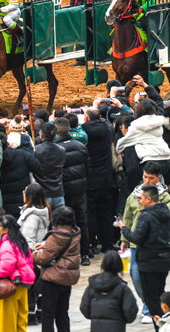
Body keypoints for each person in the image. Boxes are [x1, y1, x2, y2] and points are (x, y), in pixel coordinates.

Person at [118, 184, 170, 321]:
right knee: (159, 293)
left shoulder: (145, 216)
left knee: (151, 299)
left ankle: (160, 324)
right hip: (164, 260)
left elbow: (137, 238)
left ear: (148, 199)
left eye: (141, 198)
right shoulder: (166, 212)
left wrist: (124, 229)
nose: (139, 201)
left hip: (149, 263)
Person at [33, 206, 81, 332]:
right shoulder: (75, 234)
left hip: (52, 280)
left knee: (48, 314)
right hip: (67, 278)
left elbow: (43, 259)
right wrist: (45, 245)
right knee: (62, 313)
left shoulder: (55, 237)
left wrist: (32, 254)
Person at [81, 107, 118, 255]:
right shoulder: (108, 129)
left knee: (91, 213)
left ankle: (93, 243)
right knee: (106, 213)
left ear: (87, 118)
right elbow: (108, 123)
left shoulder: (84, 130)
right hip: (107, 178)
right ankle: (107, 244)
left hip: (91, 179)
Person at [54, 117, 90, 265]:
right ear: (70, 129)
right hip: (80, 189)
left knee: (65, 223)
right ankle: (85, 253)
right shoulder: (81, 146)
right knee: (82, 220)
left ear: (56, 132)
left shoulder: (55, 149)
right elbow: (88, 167)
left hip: (64, 190)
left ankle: (68, 254)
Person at [0, 215, 36, 332]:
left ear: (5, 229)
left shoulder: (7, 244)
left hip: (10, 286)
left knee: (7, 321)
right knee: (21, 319)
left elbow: (7, 265)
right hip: (23, 283)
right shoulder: (21, 241)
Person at [79, 251, 138, 332]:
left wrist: (94, 317)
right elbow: (130, 310)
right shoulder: (122, 288)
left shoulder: (92, 286)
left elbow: (84, 307)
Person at [34, 122, 66, 210]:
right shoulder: (62, 150)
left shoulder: (36, 150)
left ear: (41, 135)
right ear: (55, 134)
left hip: (43, 193)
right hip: (58, 192)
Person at [18, 183, 50, 251]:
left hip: (31, 254)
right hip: (40, 252)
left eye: (25, 192)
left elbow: (28, 241)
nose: (23, 194)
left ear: (29, 196)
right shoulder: (43, 211)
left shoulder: (31, 217)